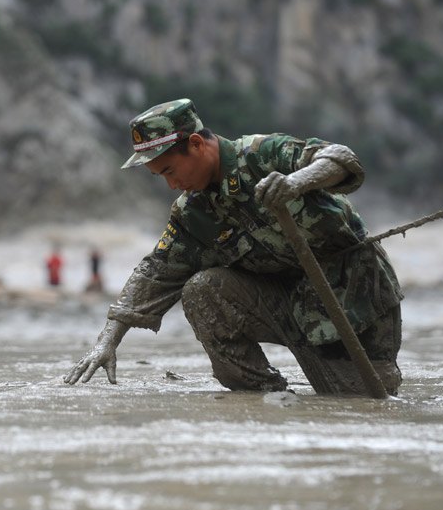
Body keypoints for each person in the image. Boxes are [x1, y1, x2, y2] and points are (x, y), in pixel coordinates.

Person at [64, 98, 403, 395]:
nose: (171, 185)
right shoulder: (192, 212)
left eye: (170, 171)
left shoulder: (262, 154)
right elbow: (156, 270)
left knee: (360, 402)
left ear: (196, 144)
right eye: (160, 178)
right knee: (202, 289)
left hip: (352, 301)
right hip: (285, 307)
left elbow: (342, 159)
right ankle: (263, 394)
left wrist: (295, 182)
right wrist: (107, 341)